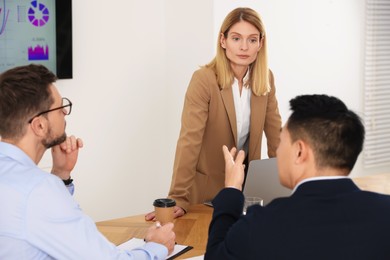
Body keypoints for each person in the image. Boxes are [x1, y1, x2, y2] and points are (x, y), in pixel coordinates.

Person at [0, 64, 175, 259]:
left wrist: (61, 174)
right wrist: (157, 246)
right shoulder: (38, 190)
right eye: (60, 108)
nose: (65, 113)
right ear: (39, 125)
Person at [205, 94, 390, 259]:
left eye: (282, 142)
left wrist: (231, 190)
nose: (277, 150)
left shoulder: (261, 225)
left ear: (300, 151)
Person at [145, 7, 281, 221]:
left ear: (260, 44)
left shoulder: (266, 79)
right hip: (209, 193)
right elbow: (190, 141)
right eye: (236, 38)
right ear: (223, 40)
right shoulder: (204, 80)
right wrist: (178, 197)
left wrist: (289, 186)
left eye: (252, 40)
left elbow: (276, 138)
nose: (244, 47)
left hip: (250, 192)